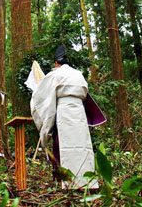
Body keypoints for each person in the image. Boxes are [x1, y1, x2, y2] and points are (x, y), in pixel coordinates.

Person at [30, 45, 98, 189]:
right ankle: (85, 183)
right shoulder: (78, 74)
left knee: (61, 145)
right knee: (82, 146)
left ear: (56, 63)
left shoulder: (55, 74)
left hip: (64, 112)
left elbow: (40, 97)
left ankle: (63, 182)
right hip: (79, 113)